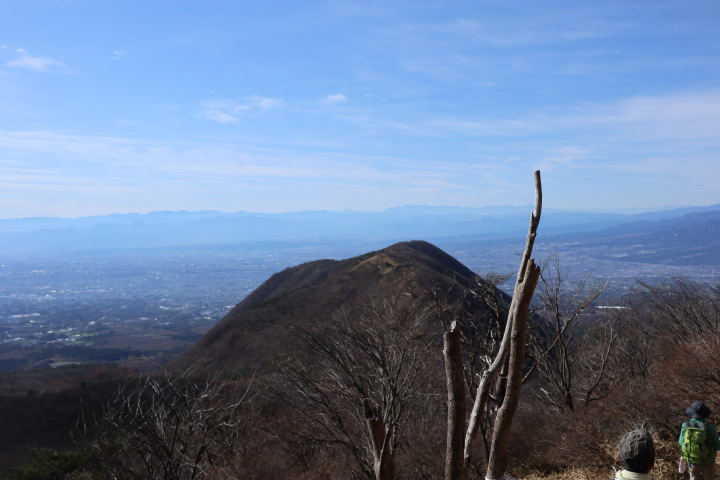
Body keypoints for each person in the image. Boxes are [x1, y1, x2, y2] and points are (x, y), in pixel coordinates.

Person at [679, 400, 720, 480]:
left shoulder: (685, 426)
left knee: (693, 478)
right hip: (708, 459)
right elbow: (717, 446)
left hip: (691, 459)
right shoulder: (710, 427)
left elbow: (681, 442)